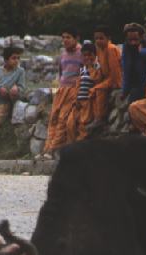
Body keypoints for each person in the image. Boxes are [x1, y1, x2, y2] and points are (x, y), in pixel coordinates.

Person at [39, 27, 83, 159]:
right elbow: (60, 73)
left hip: (73, 91)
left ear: (76, 38)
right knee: (54, 119)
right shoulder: (63, 54)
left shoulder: (82, 53)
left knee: (63, 120)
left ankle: (53, 150)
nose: (65, 40)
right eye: (63, 37)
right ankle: (47, 149)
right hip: (61, 91)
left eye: (68, 37)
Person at [0, 46, 26, 159]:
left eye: (18, 58)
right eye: (13, 58)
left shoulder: (20, 72)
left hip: (3, 106)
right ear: (6, 60)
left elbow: (22, 89)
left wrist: (16, 90)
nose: (16, 61)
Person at [85, 25, 122, 133]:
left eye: (101, 38)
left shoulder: (111, 49)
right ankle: (92, 118)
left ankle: (99, 119)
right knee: (91, 90)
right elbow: (101, 67)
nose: (98, 41)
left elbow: (115, 73)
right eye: (96, 38)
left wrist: (101, 85)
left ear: (108, 38)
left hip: (116, 79)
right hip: (106, 78)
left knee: (98, 90)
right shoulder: (99, 49)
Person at [68, 42, 102, 142]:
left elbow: (97, 80)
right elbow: (78, 85)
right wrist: (75, 100)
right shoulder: (82, 69)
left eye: (90, 55)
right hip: (78, 102)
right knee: (70, 124)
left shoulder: (97, 67)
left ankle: (80, 149)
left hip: (88, 102)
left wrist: (91, 68)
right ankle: (71, 146)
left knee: (84, 125)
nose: (87, 57)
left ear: (95, 55)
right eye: (85, 55)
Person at [120, 23, 146, 104]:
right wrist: (124, 91)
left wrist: (144, 51)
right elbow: (126, 69)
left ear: (141, 37)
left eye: (135, 39)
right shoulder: (126, 48)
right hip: (138, 85)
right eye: (130, 40)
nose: (133, 43)